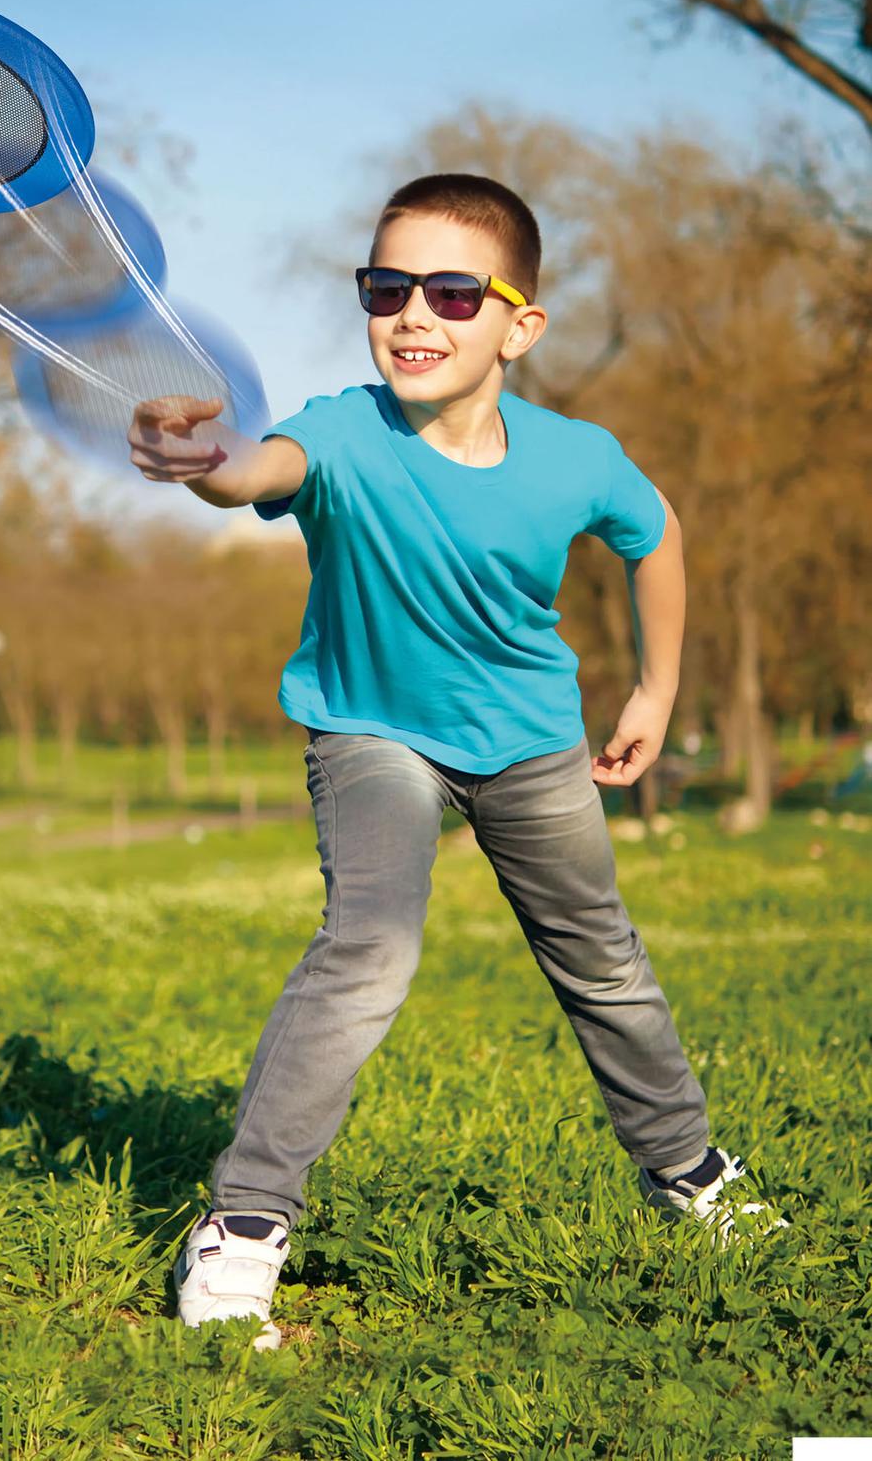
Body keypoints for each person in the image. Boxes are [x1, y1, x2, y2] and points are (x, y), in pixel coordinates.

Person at [127, 173, 788, 1352]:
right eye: (386, 288)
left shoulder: (573, 456)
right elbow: (253, 475)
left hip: (531, 743)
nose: (412, 316)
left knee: (600, 959)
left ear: (517, 325)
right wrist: (203, 456)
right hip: (371, 730)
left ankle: (688, 1173)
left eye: (448, 290)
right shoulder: (337, 431)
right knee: (370, 947)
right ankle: (240, 1226)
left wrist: (655, 685)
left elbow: (655, 533)